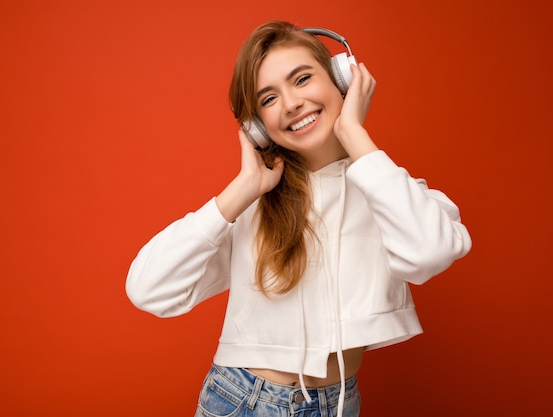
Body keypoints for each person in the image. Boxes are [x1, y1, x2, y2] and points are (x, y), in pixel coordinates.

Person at [125, 20, 472, 417]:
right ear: (257, 128)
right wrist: (242, 188)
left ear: (343, 78)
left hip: (339, 404)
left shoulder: (390, 190)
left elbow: (432, 252)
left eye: (302, 79)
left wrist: (355, 134)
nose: (290, 104)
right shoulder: (253, 206)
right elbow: (147, 288)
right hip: (245, 401)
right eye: (269, 99)